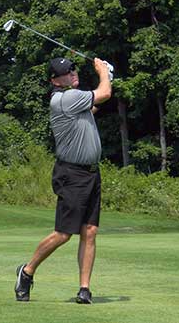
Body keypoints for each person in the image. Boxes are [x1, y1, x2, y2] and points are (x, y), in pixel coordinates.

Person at [14, 57, 112, 304]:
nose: (72, 73)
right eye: (66, 72)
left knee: (90, 231)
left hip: (90, 173)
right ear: (55, 81)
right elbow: (103, 95)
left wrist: (107, 78)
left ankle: (84, 289)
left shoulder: (74, 99)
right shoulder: (66, 98)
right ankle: (26, 272)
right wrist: (104, 73)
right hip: (72, 174)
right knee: (64, 233)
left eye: (72, 69)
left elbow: (94, 106)